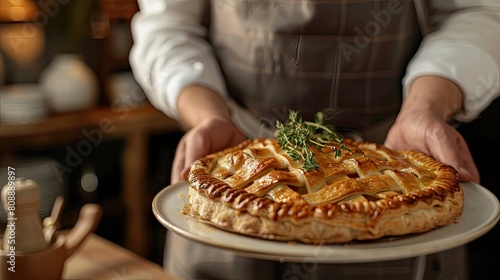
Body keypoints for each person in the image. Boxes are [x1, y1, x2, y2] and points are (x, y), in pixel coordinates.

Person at [130, 0, 500, 279]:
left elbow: (475, 12)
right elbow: (169, 26)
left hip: (398, 163)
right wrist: (208, 116)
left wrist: (426, 106)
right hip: (239, 168)